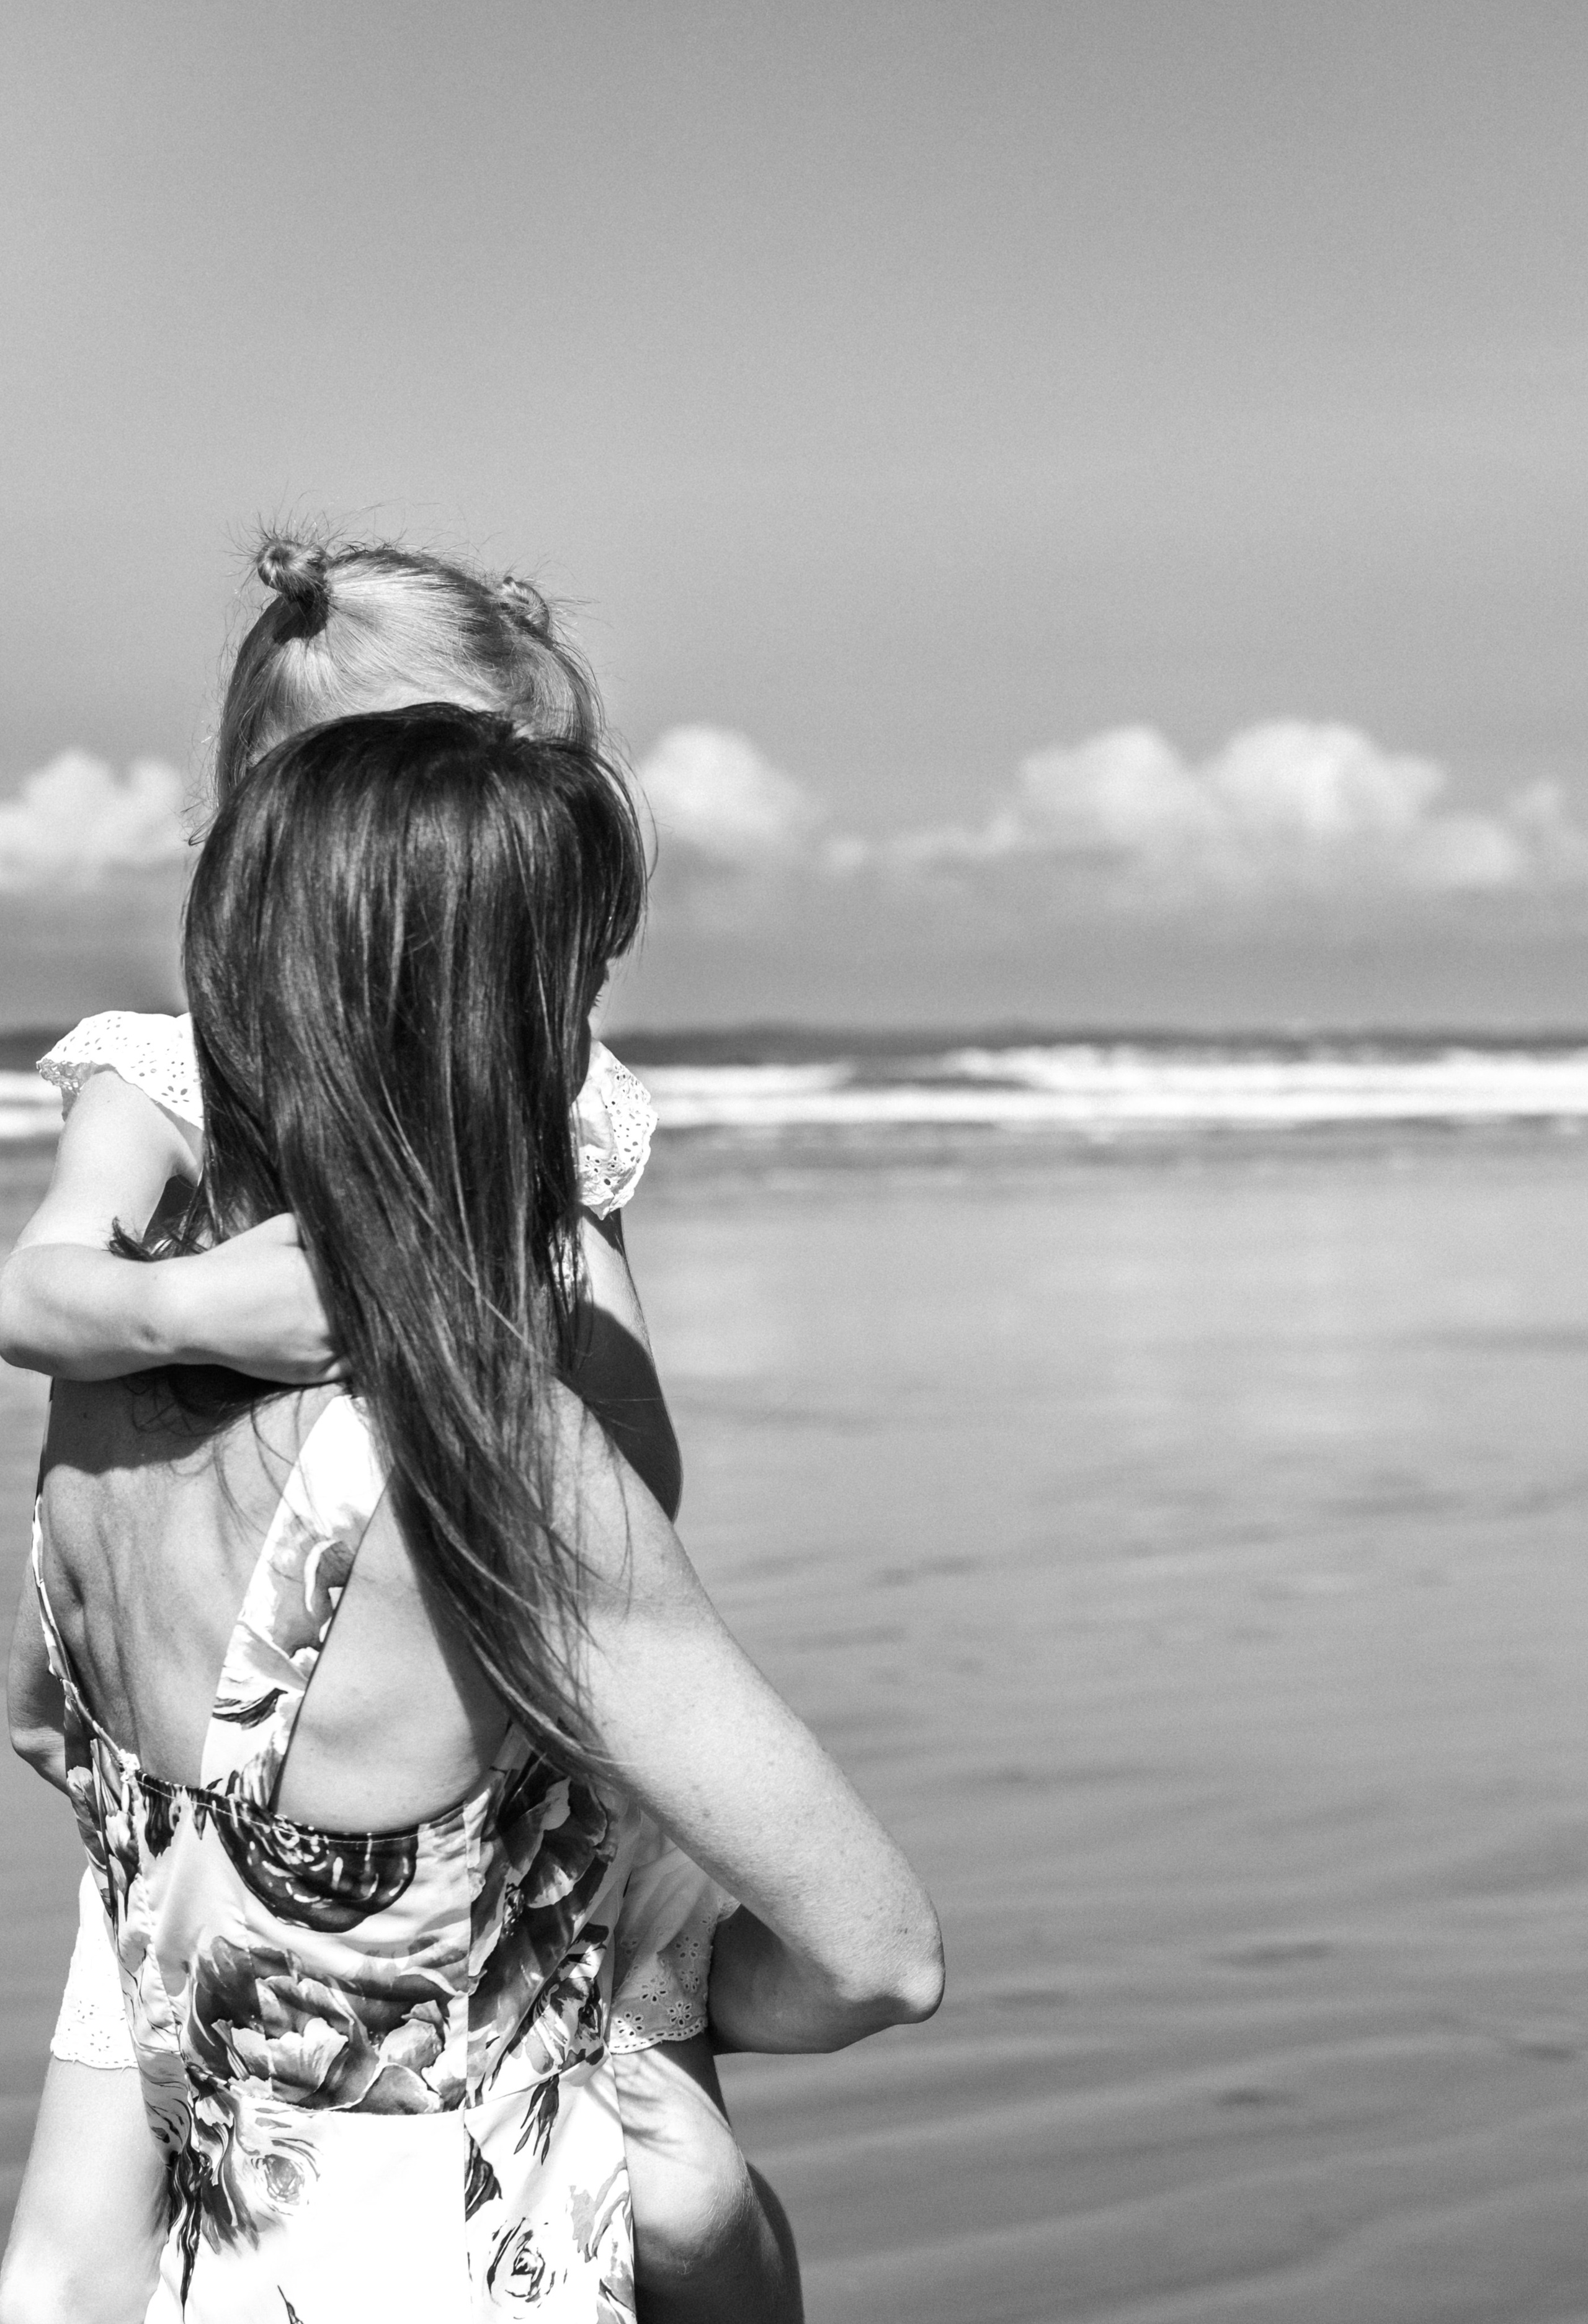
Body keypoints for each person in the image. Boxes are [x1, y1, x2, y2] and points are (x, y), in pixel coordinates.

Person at [6, 705, 943, 2323]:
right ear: (479, 1018)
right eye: (573, 978)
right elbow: (879, 1952)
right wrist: (656, 2014)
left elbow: (74, 1765)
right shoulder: (497, 1465)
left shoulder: (92, 1429)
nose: (588, 1030)